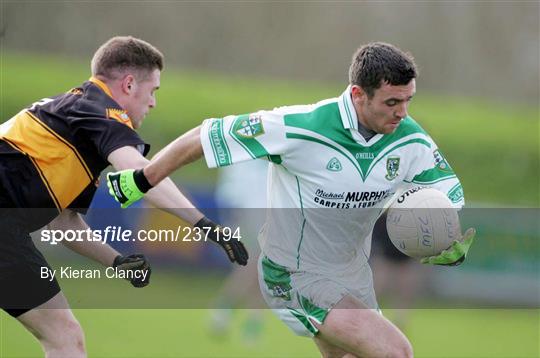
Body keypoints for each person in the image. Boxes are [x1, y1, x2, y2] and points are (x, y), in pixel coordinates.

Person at [107, 42, 475, 357]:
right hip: (294, 274)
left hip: (352, 275)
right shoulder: (301, 126)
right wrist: (144, 177)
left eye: (408, 100)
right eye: (392, 101)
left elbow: (446, 193)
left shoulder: (410, 139)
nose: (403, 112)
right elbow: (205, 136)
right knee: (396, 351)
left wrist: (446, 236)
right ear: (357, 95)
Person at [0, 36, 247, 358]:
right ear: (129, 84)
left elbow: (60, 222)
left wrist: (116, 261)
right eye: (153, 90)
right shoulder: (99, 110)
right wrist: (204, 224)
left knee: (64, 335)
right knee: (64, 336)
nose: (154, 102)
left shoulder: (71, 123)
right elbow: (143, 172)